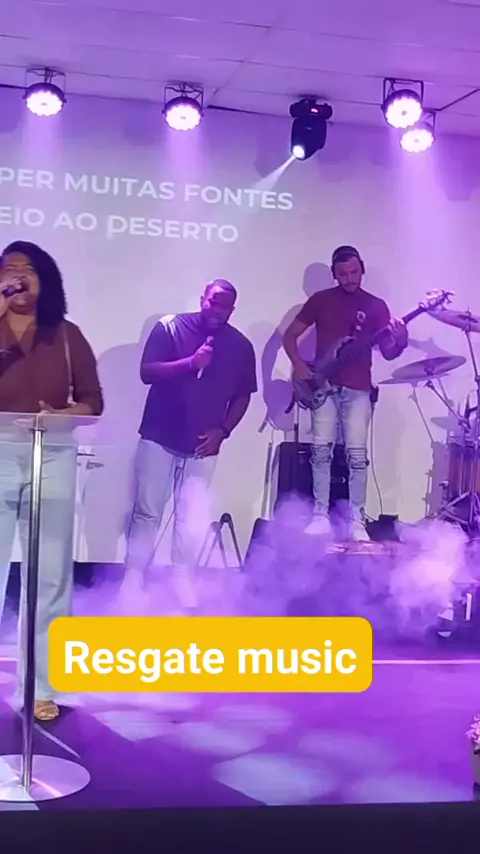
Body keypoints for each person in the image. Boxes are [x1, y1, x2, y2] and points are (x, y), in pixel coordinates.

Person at [0, 240, 103, 721]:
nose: (18, 276)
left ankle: (42, 686)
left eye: (28, 270)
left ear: (45, 280)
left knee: (50, 576)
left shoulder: (65, 334)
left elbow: (93, 400)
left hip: (53, 454)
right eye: (9, 269)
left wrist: (64, 415)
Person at [124, 279, 257, 597]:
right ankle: (133, 576)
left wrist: (223, 431)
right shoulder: (170, 327)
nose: (218, 310)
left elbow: (243, 395)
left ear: (232, 310)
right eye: (214, 303)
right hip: (159, 434)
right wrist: (190, 363)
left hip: (204, 445)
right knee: (147, 509)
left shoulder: (241, 346)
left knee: (189, 516)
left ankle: (182, 577)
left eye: (225, 307)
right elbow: (147, 372)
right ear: (202, 300)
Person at [283, 245, 408, 541]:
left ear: (362, 268)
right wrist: (298, 363)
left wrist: (401, 340)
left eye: (354, 272)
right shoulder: (320, 300)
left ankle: (356, 521)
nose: (350, 279)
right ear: (334, 274)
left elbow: (389, 352)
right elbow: (289, 336)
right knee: (320, 452)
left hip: (358, 389)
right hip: (322, 387)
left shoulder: (376, 306)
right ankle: (320, 516)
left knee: (356, 456)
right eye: (343, 274)